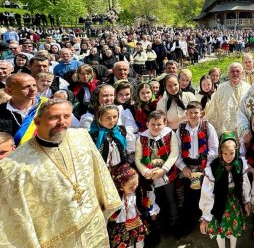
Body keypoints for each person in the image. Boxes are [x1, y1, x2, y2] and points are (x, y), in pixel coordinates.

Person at [0, 99, 122, 247]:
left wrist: (106, 201)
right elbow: (15, 218)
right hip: (56, 239)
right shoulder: (12, 166)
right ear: (37, 121)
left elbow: (99, 172)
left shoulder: (82, 137)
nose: (62, 122)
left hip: (93, 226)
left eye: (67, 116)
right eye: (54, 117)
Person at [199, 132, 251, 248]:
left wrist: (246, 201)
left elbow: (245, 185)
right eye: (225, 153)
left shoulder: (239, 164)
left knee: (233, 228)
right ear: (220, 152)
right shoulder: (214, 167)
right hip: (218, 203)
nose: (228, 156)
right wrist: (206, 216)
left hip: (234, 203)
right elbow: (207, 193)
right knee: (219, 229)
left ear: (236, 150)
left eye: (231, 153)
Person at [176, 101, 219, 235]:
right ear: (186, 114)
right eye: (191, 113)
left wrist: (205, 166)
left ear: (201, 114)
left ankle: (207, 220)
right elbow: (176, 151)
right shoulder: (181, 128)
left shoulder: (207, 127)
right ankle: (190, 223)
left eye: (196, 112)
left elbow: (214, 149)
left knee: (205, 194)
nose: (194, 115)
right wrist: (183, 167)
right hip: (188, 167)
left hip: (204, 166)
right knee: (190, 195)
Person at [135, 110, 179, 233]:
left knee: (170, 200)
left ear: (164, 123)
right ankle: (159, 229)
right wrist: (146, 172)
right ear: (147, 123)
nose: (155, 127)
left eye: (159, 124)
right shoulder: (141, 138)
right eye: (153, 124)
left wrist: (164, 169)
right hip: (150, 176)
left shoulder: (169, 134)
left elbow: (174, 153)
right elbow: (138, 159)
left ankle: (174, 226)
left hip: (166, 174)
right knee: (154, 201)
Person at [108, 163, 159, 248]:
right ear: (121, 187)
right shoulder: (118, 199)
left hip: (137, 222)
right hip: (122, 225)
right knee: (127, 244)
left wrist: (152, 210)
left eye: (136, 184)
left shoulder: (139, 192)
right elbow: (112, 212)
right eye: (131, 187)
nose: (134, 187)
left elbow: (146, 202)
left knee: (140, 242)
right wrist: (113, 217)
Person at [205, 63, 250, 135]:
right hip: (227, 131)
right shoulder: (221, 88)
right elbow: (214, 109)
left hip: (245, 129)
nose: (235, 73)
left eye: (237, 71)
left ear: (242, 73)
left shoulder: (248, 88)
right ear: (229, 74)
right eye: (232, 71)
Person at [89, 104, 128, 169]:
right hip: (101, 169)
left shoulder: (120, 130)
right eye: (108, 118)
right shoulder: (93, 135)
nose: (112, 121)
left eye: (115, 117)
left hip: (120, 167)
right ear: (99, 118)